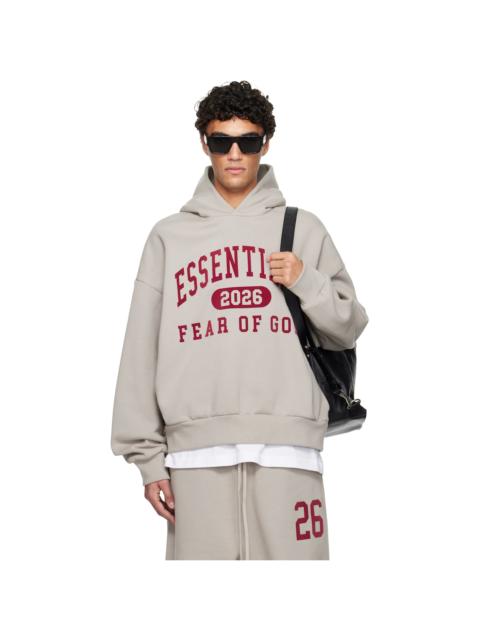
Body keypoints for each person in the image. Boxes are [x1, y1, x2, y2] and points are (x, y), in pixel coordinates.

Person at [111, 80, 369, 560]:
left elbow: (348, 326)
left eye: (248, 142)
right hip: (194, 456)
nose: (234, 154)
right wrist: (148, 461)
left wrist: (305, 279)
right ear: (204, 144)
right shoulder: (169, 237)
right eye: (221, 141)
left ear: (265, 144)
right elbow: (140, 351)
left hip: (288, 449)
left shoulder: (302, 229)